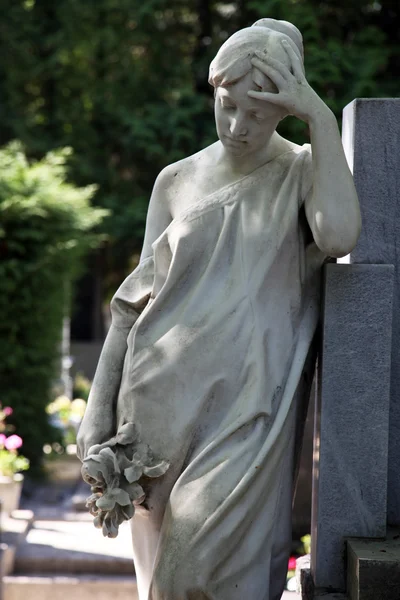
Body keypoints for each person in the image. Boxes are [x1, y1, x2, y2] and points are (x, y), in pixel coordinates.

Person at [77, 18, 361, 600]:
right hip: (157, 409)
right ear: (214, 91)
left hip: (248, 408)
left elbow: (339, 235)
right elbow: (132, 305)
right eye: (228, 106)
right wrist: (96, 408)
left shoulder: (302, 170)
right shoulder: (175, 181)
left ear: (285, 108)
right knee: (161, 580)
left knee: (198, 573)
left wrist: (323, 119)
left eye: (258, 115)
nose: (237, 126)